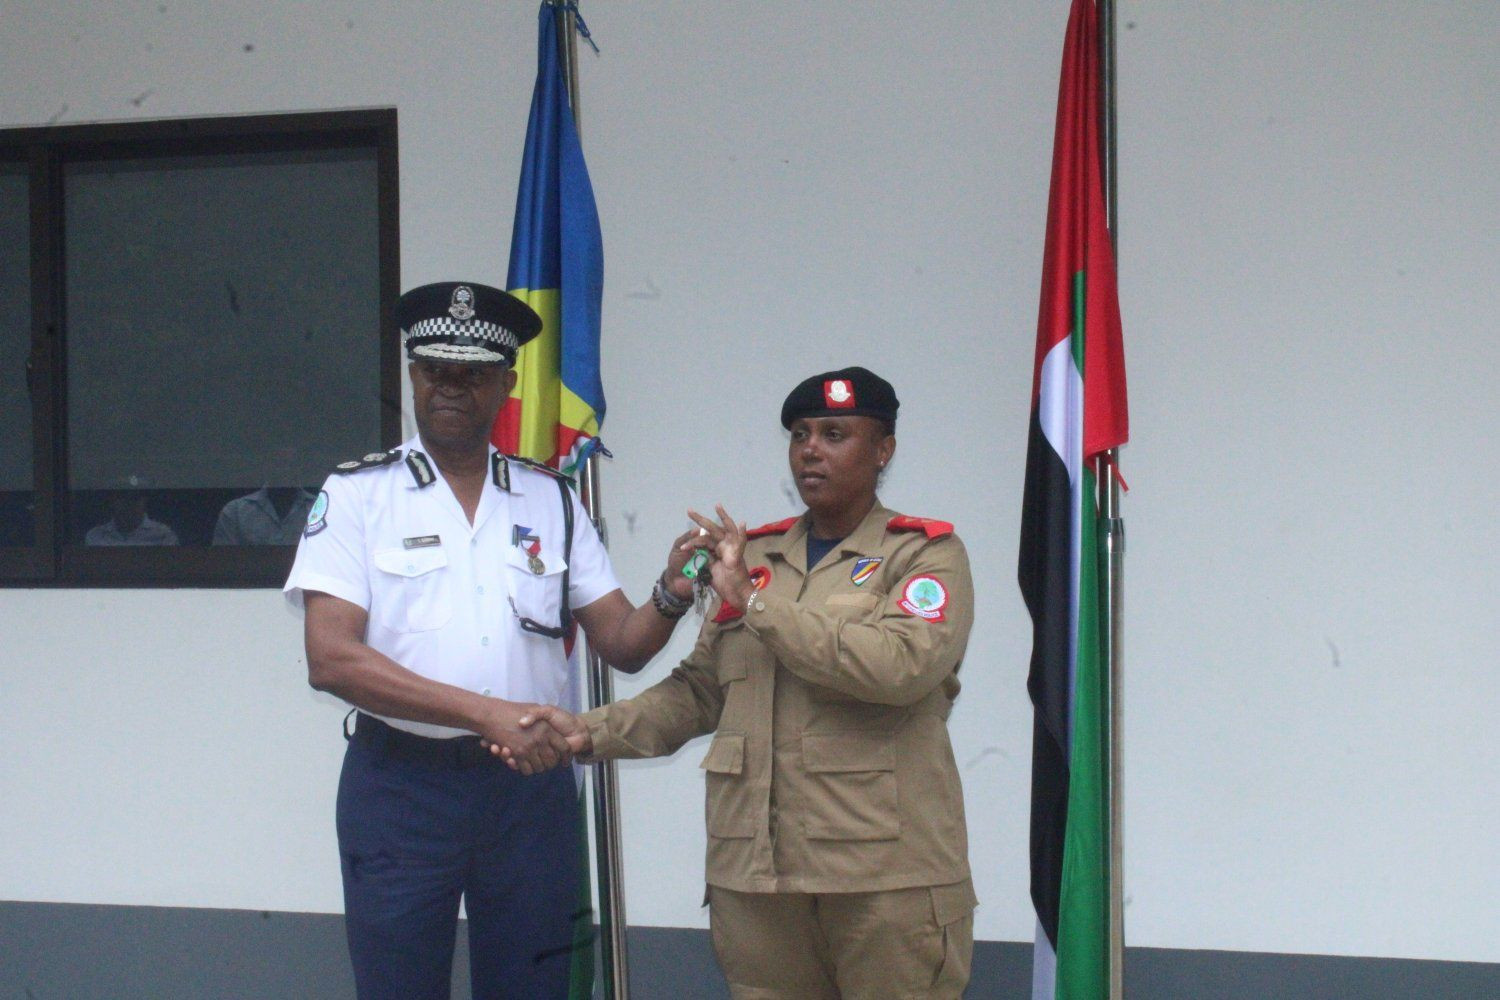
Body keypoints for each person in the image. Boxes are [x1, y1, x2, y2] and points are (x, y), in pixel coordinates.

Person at [283, 281, 699, 1000]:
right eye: (435, 370)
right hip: (401, 790)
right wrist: (487, 714)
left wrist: (674, 589)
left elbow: (623, 644)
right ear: (413, 377)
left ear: (506, 386)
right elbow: (331, 659)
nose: (451, 387)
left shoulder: (552, 500)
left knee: (531, 989)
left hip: (527, 796)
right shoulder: (357, 495)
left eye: (472, 374)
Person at [516, 367, 978, 999]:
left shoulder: (924, 554)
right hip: (756, 880)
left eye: (834, 435)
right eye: (800, 435)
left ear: (883, 450)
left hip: (882, 880)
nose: (810, 450)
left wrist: (754, 604)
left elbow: (900, 667)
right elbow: (698, 693)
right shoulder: (756, 558)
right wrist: (584, 732)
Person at [212, 485, 316, 545]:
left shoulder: (320, 510)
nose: (283, 467)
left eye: (289, 461)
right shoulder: (235, 512)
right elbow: (222, 565)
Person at [85, 489, 179, 545]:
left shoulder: (164, 535)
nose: (129, 504)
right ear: (112, 501)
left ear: (144, 501)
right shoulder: (95, 536)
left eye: (135, 498)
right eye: (122, 497)